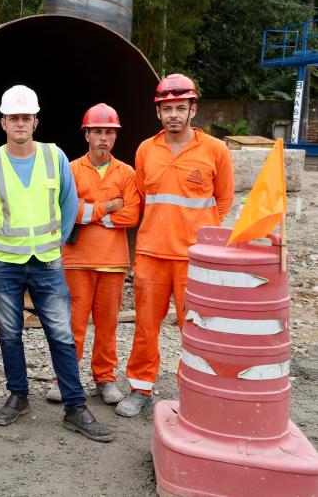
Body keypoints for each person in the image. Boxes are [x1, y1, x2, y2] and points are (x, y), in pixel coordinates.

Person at [0, 84, 113, 442]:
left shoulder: (55, 157)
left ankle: (75, 407)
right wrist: (4, 245)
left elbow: (68, 207)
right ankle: (18, 396)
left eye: (26, 117)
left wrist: (56, 241)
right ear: (3, 122)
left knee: (62, 335)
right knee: (8, 334)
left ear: (36, 121)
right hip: (5, 264)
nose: (20, 123)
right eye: (13, 117)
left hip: (48, 262)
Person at [116, 74, 234, 418]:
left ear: (192, 110)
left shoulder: (215, 150)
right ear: (158, 112)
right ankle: (140, 387)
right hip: (152, 254)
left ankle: (195, 393)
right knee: (145, 327)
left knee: (197, 329)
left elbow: (223, 200)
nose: (173, 115)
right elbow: (140, 199)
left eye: (180, 108)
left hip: (195, 259)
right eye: (167, 109)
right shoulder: (145, 150)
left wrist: (201, 234)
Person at [47, 103, 140, 406]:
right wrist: (109, 206)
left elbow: (132, 215)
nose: (103, 138)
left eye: (109, 133)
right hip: (76, 261)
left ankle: (105, 378)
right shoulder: (71, 169)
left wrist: (91, 213)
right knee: (71, 324)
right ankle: (63, 379)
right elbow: (67, 211)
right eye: (98, 131)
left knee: (107, 325)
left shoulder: (126, 172)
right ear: (86, 134)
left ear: (115, 137)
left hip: (113, 264)